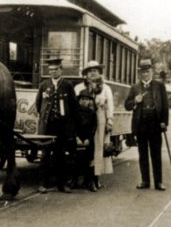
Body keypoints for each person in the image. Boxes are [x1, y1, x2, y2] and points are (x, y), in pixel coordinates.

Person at [35, 58, 79, 193]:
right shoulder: (44, 85)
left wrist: (71, 127)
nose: (53, 72)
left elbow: (73, 107)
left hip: (62, 126)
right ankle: (43, 184)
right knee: (45, 155)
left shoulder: (67, 85)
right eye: (51, 70)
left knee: (60, 155)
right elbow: (38, 104)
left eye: (56, 70)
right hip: (47, 126)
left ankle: (62, 184)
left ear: (61, 70)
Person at [124, 59, 169, 191]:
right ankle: (145, 181)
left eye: (147, 71)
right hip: (141, 125)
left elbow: (165, 106)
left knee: (156, 154)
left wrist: (164, 122)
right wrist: (135, 101)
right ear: (140, 73)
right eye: (143, 72)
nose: (145, 74)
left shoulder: (159, 86)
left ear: (152, 72)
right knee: (142, 154)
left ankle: (159, 182)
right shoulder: (135, 88)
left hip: (155, 124)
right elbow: (127, 106)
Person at [74, 60, 114, 190]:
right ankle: (81, 178)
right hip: (83, 122)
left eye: (95, 71)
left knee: (97, 149)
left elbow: (110, 107)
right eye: (90, 71)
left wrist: (109, 121)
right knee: (83, 150)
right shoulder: (79, 88)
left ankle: (94, 180)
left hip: (99, 120)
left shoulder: (105, 88)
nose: (92, 74)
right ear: (85, 74)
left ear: (99, 73)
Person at [73, 89, 97, 191]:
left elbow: (93, 128)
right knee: (76, 160)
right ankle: (74, 181)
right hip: (77, 139)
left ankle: (91, 182)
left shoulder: (92, 113)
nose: (84, 101)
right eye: (82, 99)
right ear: (79, 101)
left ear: (89, 101)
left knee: (90, 160)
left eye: (86, 99)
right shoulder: (74, 113)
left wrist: (89, 139)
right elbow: (72, 126)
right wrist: (76, 138)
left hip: (88, 140)